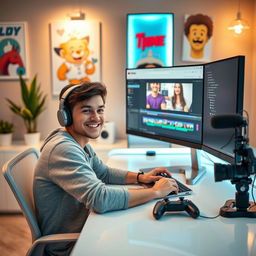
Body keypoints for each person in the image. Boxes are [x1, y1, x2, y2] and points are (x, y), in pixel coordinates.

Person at [33, 82, 178, 256]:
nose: (96, 117)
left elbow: (103, 173)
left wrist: (141, 178)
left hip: (85, 229)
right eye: (87, 110)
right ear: (66, 116)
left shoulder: (78, 143)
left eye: (100, 110)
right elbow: (100, 199)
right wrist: (155, 193)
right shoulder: (63, 149)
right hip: (69, 246)